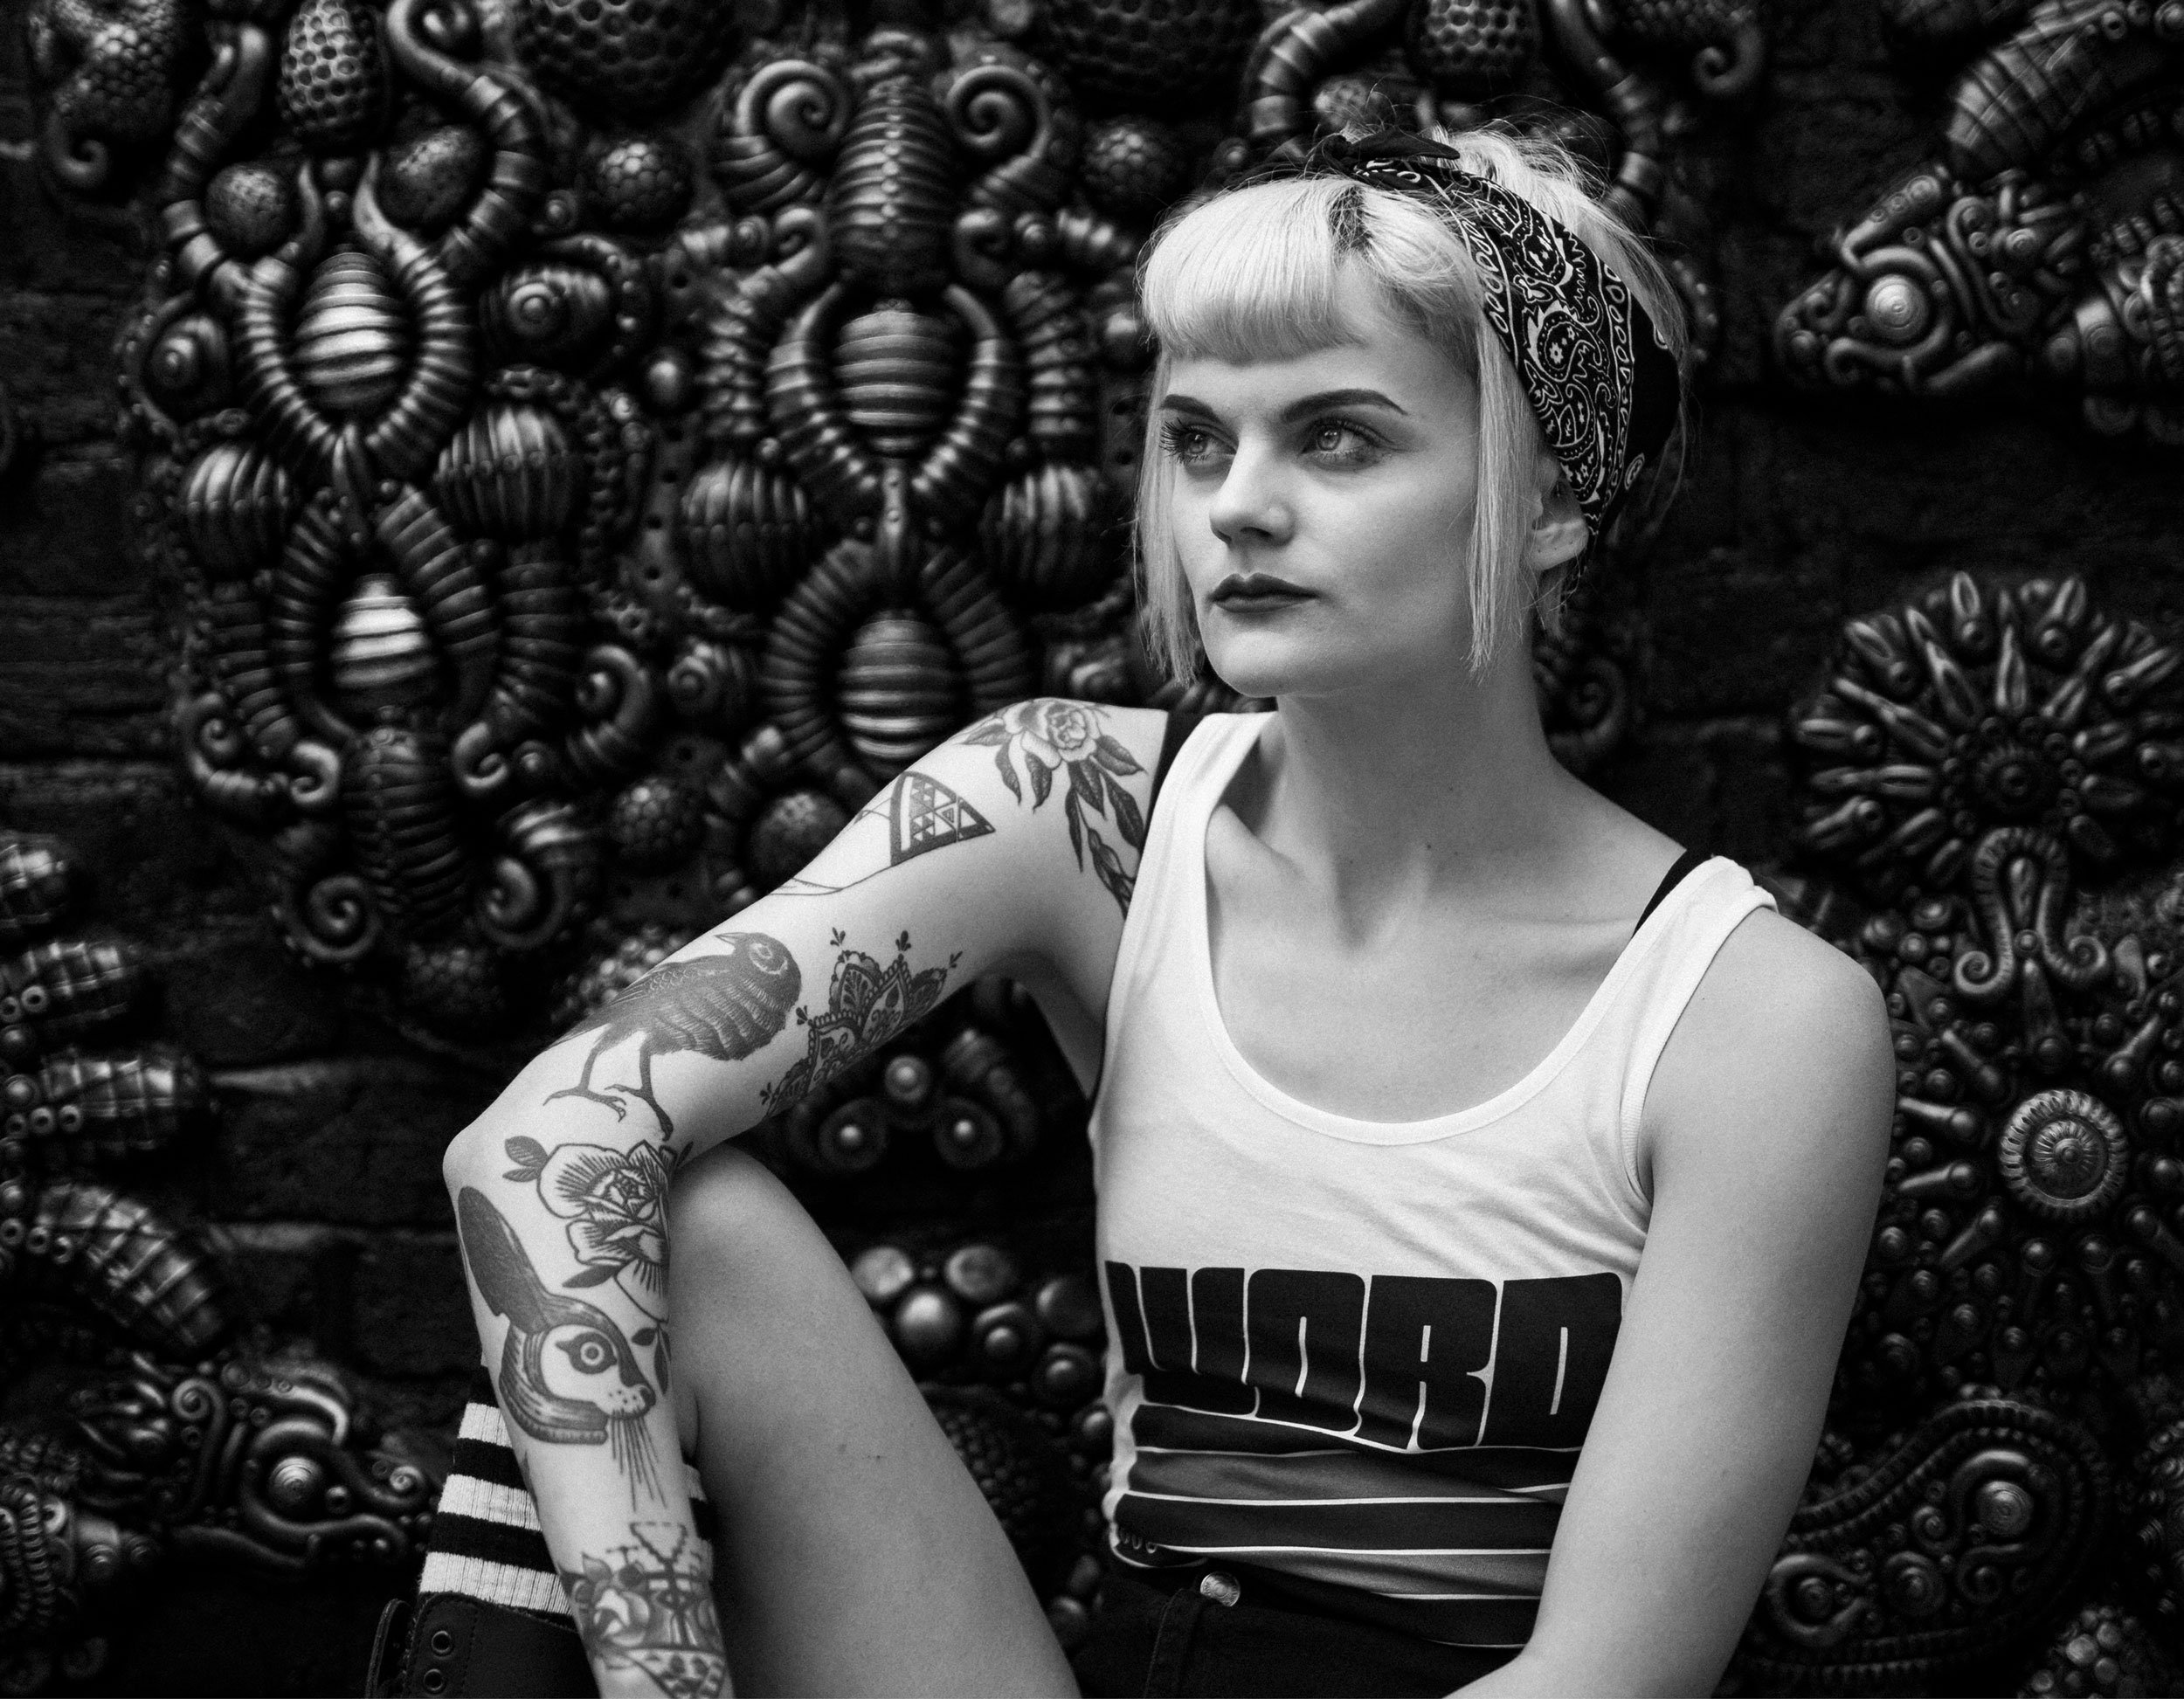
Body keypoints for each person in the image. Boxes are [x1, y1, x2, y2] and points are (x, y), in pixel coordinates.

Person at [439, 125, 1894, 1699]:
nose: (1238, 508)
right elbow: (537, 1148)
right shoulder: (1079, 810)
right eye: (1199, 440)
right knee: (661, 1229)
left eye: (1338, 439)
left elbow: (1609, 1677)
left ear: (1549, 500)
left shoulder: (1751, 1018)